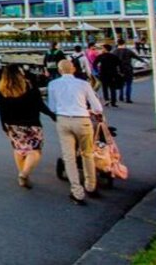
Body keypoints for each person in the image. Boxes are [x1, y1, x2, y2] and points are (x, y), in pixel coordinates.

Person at [48, 59, 103, 205]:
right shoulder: (83, 84)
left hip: (63, 120)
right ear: (73, 69)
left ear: (59, 71)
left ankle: (77, 192)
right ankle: (91, 186)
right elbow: (97, 107)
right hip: (82, 120)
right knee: (87, 153)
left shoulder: (52, 84)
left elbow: (52, 107)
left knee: (69, 157)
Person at [0, 64, 56, 188]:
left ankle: (23, 175)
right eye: (20, 70)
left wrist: (4, 126)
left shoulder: (4, 89)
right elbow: (39, 104)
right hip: (31, 124)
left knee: (19, 150)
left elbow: (2, 110)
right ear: (18, 73)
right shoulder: (29, 85)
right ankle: (24, 174)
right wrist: (52, 115)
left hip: (12, 125)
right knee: (35, 151)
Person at [114, 39, 143, 103]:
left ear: (117, 43)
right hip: (128, 69)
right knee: (128, 84)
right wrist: (143, 60)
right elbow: (136, 57)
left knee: (121, 83)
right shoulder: (128, 51)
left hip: (119, 69)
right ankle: (128, 98)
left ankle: (121, 96)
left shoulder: (114, 52)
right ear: (124, 43)